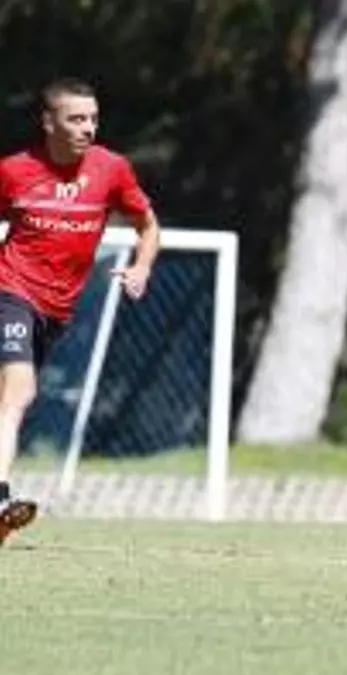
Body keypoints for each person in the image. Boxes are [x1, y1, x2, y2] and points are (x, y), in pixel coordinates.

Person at [0, 78, 161, 545]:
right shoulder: (13, 171)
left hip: (57, 310)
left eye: (93, 118)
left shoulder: (112, 169)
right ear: (48, 122)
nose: (88, 128)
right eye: (76, 119)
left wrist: (142, 267)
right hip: (10, 291)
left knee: (9, 402)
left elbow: (148, 226)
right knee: (19, 390)